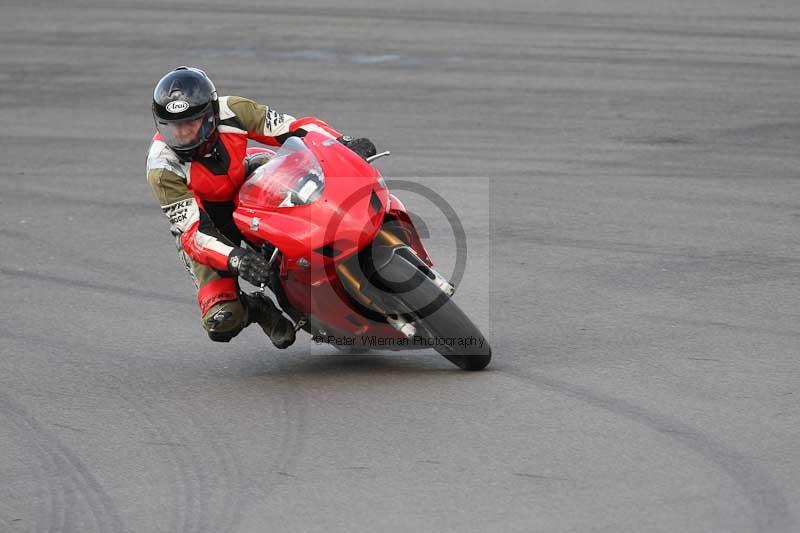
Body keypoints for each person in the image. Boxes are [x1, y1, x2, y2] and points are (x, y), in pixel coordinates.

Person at [146, 66, 376, 348]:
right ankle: (255, 308)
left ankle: (343, 237)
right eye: (173, 127)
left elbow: (293, 128)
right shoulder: (162, 168)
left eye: (190, 123)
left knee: (310, 196)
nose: (183, 135)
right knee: (221, 320)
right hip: (208, 226)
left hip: (251, 183)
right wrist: (236, 258)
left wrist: (341, 143)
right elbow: (193, 231)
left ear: (211, 114)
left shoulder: (234, 110)